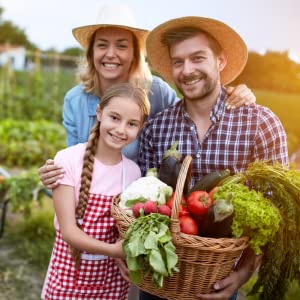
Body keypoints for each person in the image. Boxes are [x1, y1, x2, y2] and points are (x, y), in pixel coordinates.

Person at [138, 16, 289, 300]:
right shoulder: (156, 129)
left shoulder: (260, 124)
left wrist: (243, 274)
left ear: (220, 61)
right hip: (157, 278)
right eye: (178, 61)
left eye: (197, 58)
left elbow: (273, 215)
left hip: (216, 282)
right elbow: (142, 205)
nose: (187, 70)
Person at [38, 4, 256, 190]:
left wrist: (234, 91)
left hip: (138, 202)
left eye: (121, 46)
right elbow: (73, 161)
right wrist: (55, 173)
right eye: (102, 45)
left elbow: (191, 114)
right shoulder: (75, 100)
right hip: (91, 202)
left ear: (134, 53)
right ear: (91, 53)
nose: (110, 54)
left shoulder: (156, 92)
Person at [41, 83, 150, 300]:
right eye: (115, 117)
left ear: (141, 127)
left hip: (110, 283)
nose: (120, 129)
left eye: (131, 124)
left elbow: (122, 230)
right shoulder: (68, 160)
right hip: (67, 280)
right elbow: (69, 232)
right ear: (99, 113)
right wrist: (114, 251)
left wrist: (123, 256)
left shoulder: (132, 173)